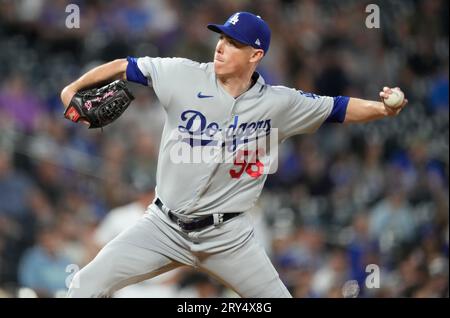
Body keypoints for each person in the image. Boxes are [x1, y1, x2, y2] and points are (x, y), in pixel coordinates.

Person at [60, 12, 407, 298]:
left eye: (234, 43)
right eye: (222, 38)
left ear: (256, 56)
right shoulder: (181, 74)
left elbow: (339, 108)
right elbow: (125, 66)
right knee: (84, 286)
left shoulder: (279, 103)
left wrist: (383, 109)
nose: (221, 47)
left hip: (228, 237)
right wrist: (73, 89)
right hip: (163, 226)